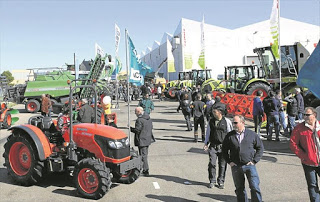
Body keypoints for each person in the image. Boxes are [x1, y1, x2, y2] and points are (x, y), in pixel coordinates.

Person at [222, 115, 264, 202]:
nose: (233, 125)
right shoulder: (230, 136)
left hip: (249, 165)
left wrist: (254, 161)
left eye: (235, 123)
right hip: (236, 166)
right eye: (233, 122)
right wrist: (229, 162)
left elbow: (260, 148)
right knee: (239, 189)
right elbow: (224, 150)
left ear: (242, 123)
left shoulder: (252, 135)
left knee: (254, 187)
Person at [290, 107, 320, 202]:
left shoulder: (319, 126)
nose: (305, 117)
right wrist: (303, 156)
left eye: (307, 115)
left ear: (314, 115)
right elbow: (293, 143)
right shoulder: (299, 128)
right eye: (304, 115)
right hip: (308, 162)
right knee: (312, 185)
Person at [204, 107, 233, 189]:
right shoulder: (211, 121)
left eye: (215, 112)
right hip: (213, 146)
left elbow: (230, 133)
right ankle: (212, 180)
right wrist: (206, 143)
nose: (213, 114)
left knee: (222, 165)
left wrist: (231, 145)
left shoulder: (226, 121)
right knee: (212, 164)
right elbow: (208, 133)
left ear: (220, 112)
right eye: (213, 112)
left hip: (223, 147)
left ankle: (221, 181)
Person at [130, 107, 155, 176]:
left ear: (138, 112)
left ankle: (145, 170)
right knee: (144, 155)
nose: (135, 114)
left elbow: (137, 130)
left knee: (143, 156)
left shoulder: (139, 120)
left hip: (142, 140)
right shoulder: (148, 118)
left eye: (135, 112)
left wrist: (131, 129)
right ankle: (143, 169)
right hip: (147, 139)